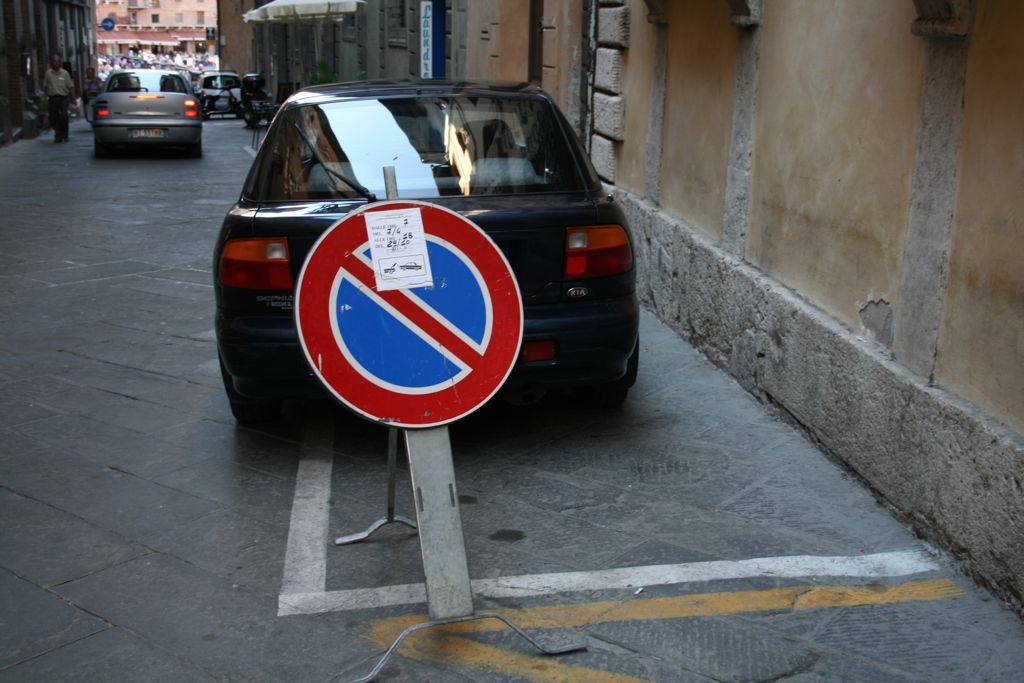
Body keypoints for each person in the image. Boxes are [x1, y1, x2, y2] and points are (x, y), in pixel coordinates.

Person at [43, 54, 74, 142]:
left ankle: (65, 134)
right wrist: (45, 97)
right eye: (54, 61)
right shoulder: (48, 73)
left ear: (60, 62)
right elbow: (45, 86)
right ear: (51, 62)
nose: (56, 63)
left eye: (57, 61)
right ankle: (58, 134)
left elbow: (70, 86)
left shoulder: (65, 73)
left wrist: (73, 98)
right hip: (52, 98)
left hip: (63, 98)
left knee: (63, 115)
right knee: (53, 117)